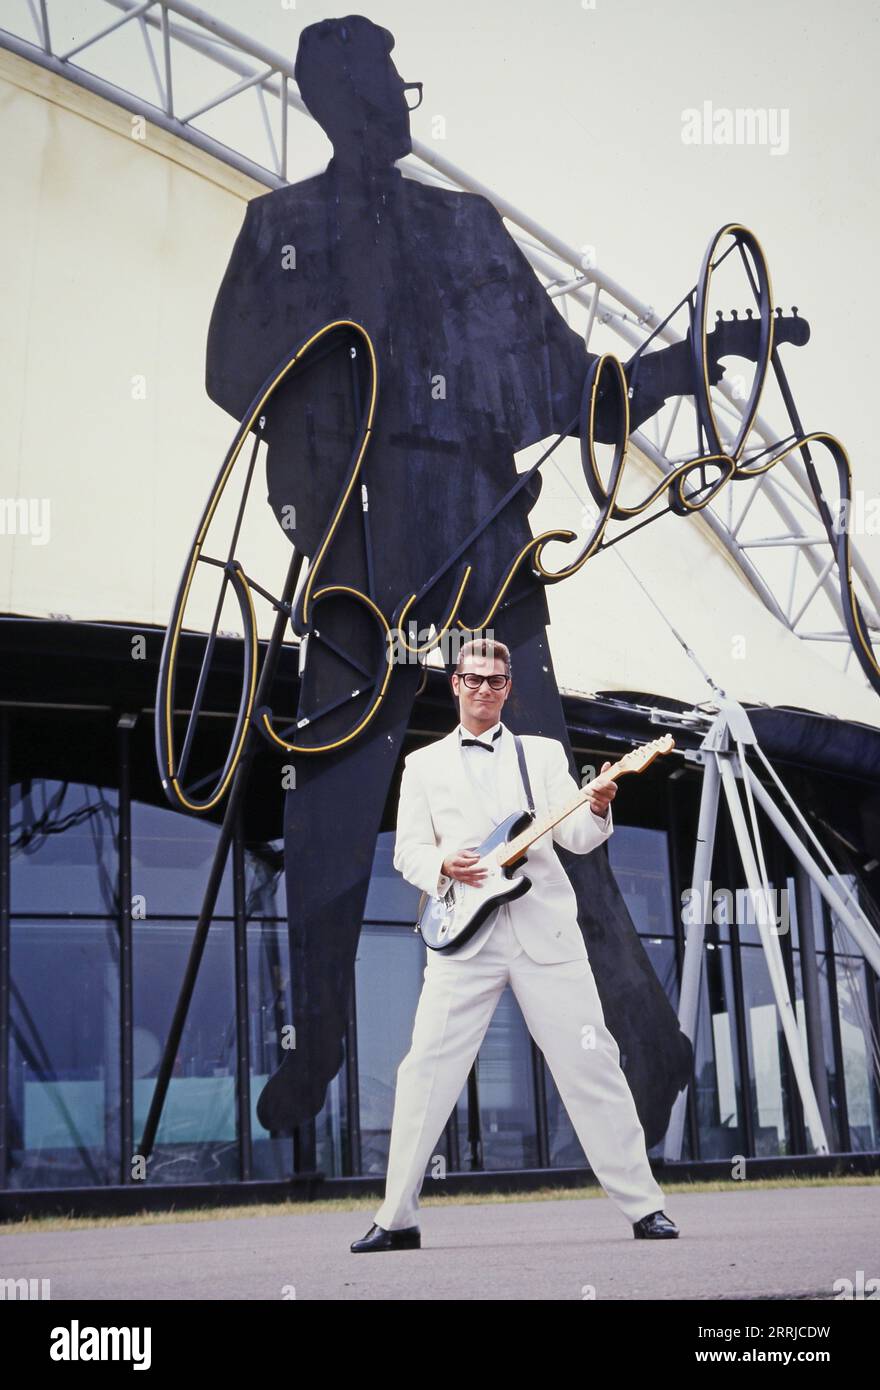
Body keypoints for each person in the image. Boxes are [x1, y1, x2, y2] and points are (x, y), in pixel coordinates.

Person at [351, 637, 679, 1251]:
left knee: (592, 1065)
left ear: (508, 688)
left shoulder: (545, 755)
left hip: (545, 937)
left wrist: (600, 804)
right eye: (473, 680)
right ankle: (396, 1219)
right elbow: (407, 852)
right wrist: (446, 865)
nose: (484, 690)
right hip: (462, 941)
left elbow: (578, 837)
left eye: (496, 682)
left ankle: (645, 1208)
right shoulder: (422, 765)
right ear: (455, 684)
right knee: (424, 1073)